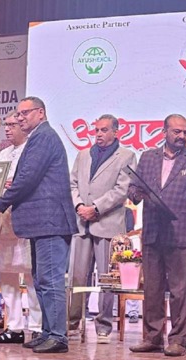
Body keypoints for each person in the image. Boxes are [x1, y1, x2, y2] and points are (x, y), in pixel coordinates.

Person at [0, 96, 78, 354]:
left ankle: (58, 336)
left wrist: (0, 203)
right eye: (18, 114)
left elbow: (27, 178)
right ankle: (48, 332)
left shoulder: (43, 137)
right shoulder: (37, 138)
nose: (20, 118)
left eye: (25, 113)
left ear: (41, 113)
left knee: (50, 280)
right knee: (41, 280)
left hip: (50, 221)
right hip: (42, 223)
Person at [128, 114, 186, 357]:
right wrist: (135, 194)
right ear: (164, 132)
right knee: (152, 289)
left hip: (181, 232)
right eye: (177, 131)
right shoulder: (148, 157)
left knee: (180, 291)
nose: (182, 136)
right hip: (153, 232)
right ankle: (152, 338)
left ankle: (178, 340)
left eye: (185, 132)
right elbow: (134, 186)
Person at [68, 114, 137, 344]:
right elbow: (72, 184)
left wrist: (96, 208)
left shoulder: (126, 156)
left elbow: (122, 190)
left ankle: (104, 324)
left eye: (104, 130)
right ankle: (74, 322)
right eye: (96, 130)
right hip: (81, 223)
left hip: (108, 223)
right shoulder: (83, 155)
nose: (98, 134)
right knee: (78, 275)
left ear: (116, 132)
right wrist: (79, 205)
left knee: (107, 278)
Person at [0, 111, 42, 344]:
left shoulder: (33, 150)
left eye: (12, 125)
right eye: (6, 125)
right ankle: (14, 326)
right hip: (4, 219)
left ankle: (37, 326)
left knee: (31, 275)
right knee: (6, 273)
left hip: (27, 219)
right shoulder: (3, 153)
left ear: (23, 126)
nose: (7, 129)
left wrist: (16, 185)